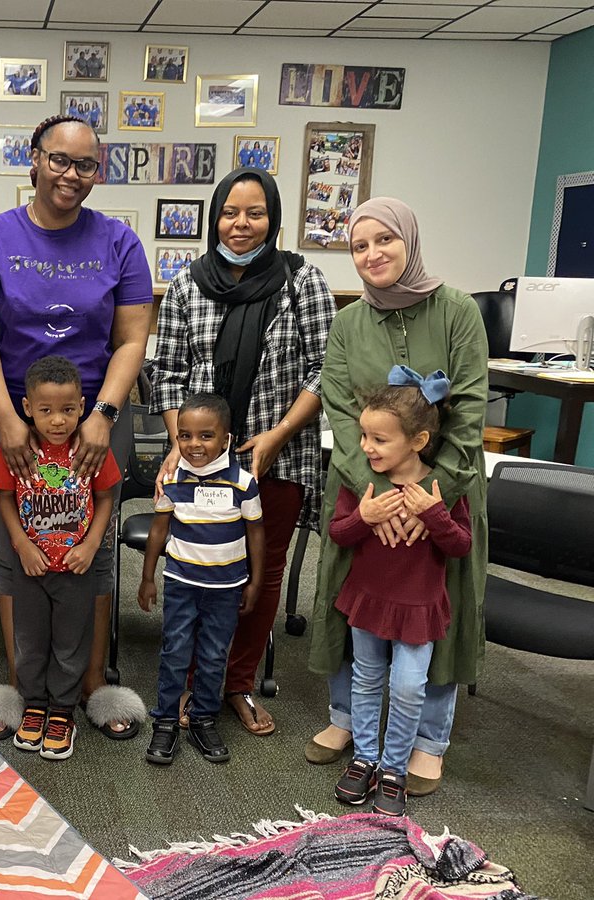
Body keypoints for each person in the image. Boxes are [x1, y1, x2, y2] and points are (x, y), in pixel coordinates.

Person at [0, 114, 153, 743]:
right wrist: (8, 420)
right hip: (10, 415)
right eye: (59, 160)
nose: (72, 174)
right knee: (17, 542)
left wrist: (105, 415)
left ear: (98, 172)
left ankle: (89, 682)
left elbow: (132, 338)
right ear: (33, 160)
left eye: (86, 165)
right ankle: (23, 683)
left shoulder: (120, 241)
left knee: (89, 546)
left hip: (96, 418)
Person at [307, 198, 488, 798]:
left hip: (445, 490)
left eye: (385, 240)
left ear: (409, 241)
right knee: (348, 599)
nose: (372, 254)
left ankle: (428, 740)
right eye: (359, 246)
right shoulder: (348, 322)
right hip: (363, 487)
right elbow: (338, 408)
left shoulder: (458, 310)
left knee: (436, 605)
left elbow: (467, 412)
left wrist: (424, 499)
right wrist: (377, 497)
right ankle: (346, 724)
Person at [151, 167, 335, 737]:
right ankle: (186, 686)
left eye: (255, 213)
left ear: (273, 219)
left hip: (275, 456)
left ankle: (236, 683)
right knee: (193, 570)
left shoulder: (302, 281)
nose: (241, 224)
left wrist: (277, 435)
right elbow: (168, 375)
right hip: (199, 459)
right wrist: (180, 448)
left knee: (260, 570)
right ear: (215, 218)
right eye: (230, 212)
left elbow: (326, 369)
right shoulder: (188, 283)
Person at [328, 373, 471, 816]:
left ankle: (394, 768)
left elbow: (461, 546)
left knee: (409, 688)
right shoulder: (365, 484)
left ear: (418, 440)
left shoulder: (439, 489)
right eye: (364, 436)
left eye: (379, 439)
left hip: (417, 609)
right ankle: (365, 758)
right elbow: (338, 532)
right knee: (366, 680)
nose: (367, 447)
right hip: (368, 600)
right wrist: (365, 516)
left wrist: (435, 516)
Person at [0, 356, 121, 761]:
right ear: (28, 408)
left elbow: (106, 497)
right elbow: (4, 497)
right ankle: (33, 705)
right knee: (30, 641)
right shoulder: (18, 448)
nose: (57, 421)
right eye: (45, 411)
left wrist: (91, 544)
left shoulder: (90, 450)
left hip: (75, 569)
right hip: (30, 568)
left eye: (66, 410)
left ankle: (62, 710)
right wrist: (22, 545)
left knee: (70, 642)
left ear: (82, 406)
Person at [139, 393, 264, 766]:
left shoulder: (244, 483)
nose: (194, 445)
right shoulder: (172, 480)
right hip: (182, 583)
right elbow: (158, 531)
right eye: (185, 436)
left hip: (226, 588)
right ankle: (165, 721)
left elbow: (256, 534)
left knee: (212, 656)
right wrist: (147, 578)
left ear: (226, 439)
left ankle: (203, 718)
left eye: (206, 436)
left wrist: (255, 581)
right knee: (175, 652)